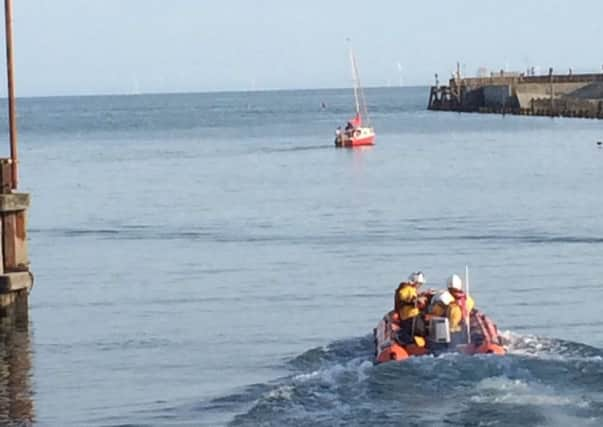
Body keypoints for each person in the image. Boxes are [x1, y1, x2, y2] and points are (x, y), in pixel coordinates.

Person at [394, 272, 426, 345]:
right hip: (409, 317)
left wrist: (421, 295)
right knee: (414, 331)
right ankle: (408, 342)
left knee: (420, 329)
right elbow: (403, 296)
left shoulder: (412, 289)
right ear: (415, 282)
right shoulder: (406, 289)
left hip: (413, 316)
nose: (420, 286)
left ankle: (414, 342)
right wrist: (414, 300)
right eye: (419, 284)